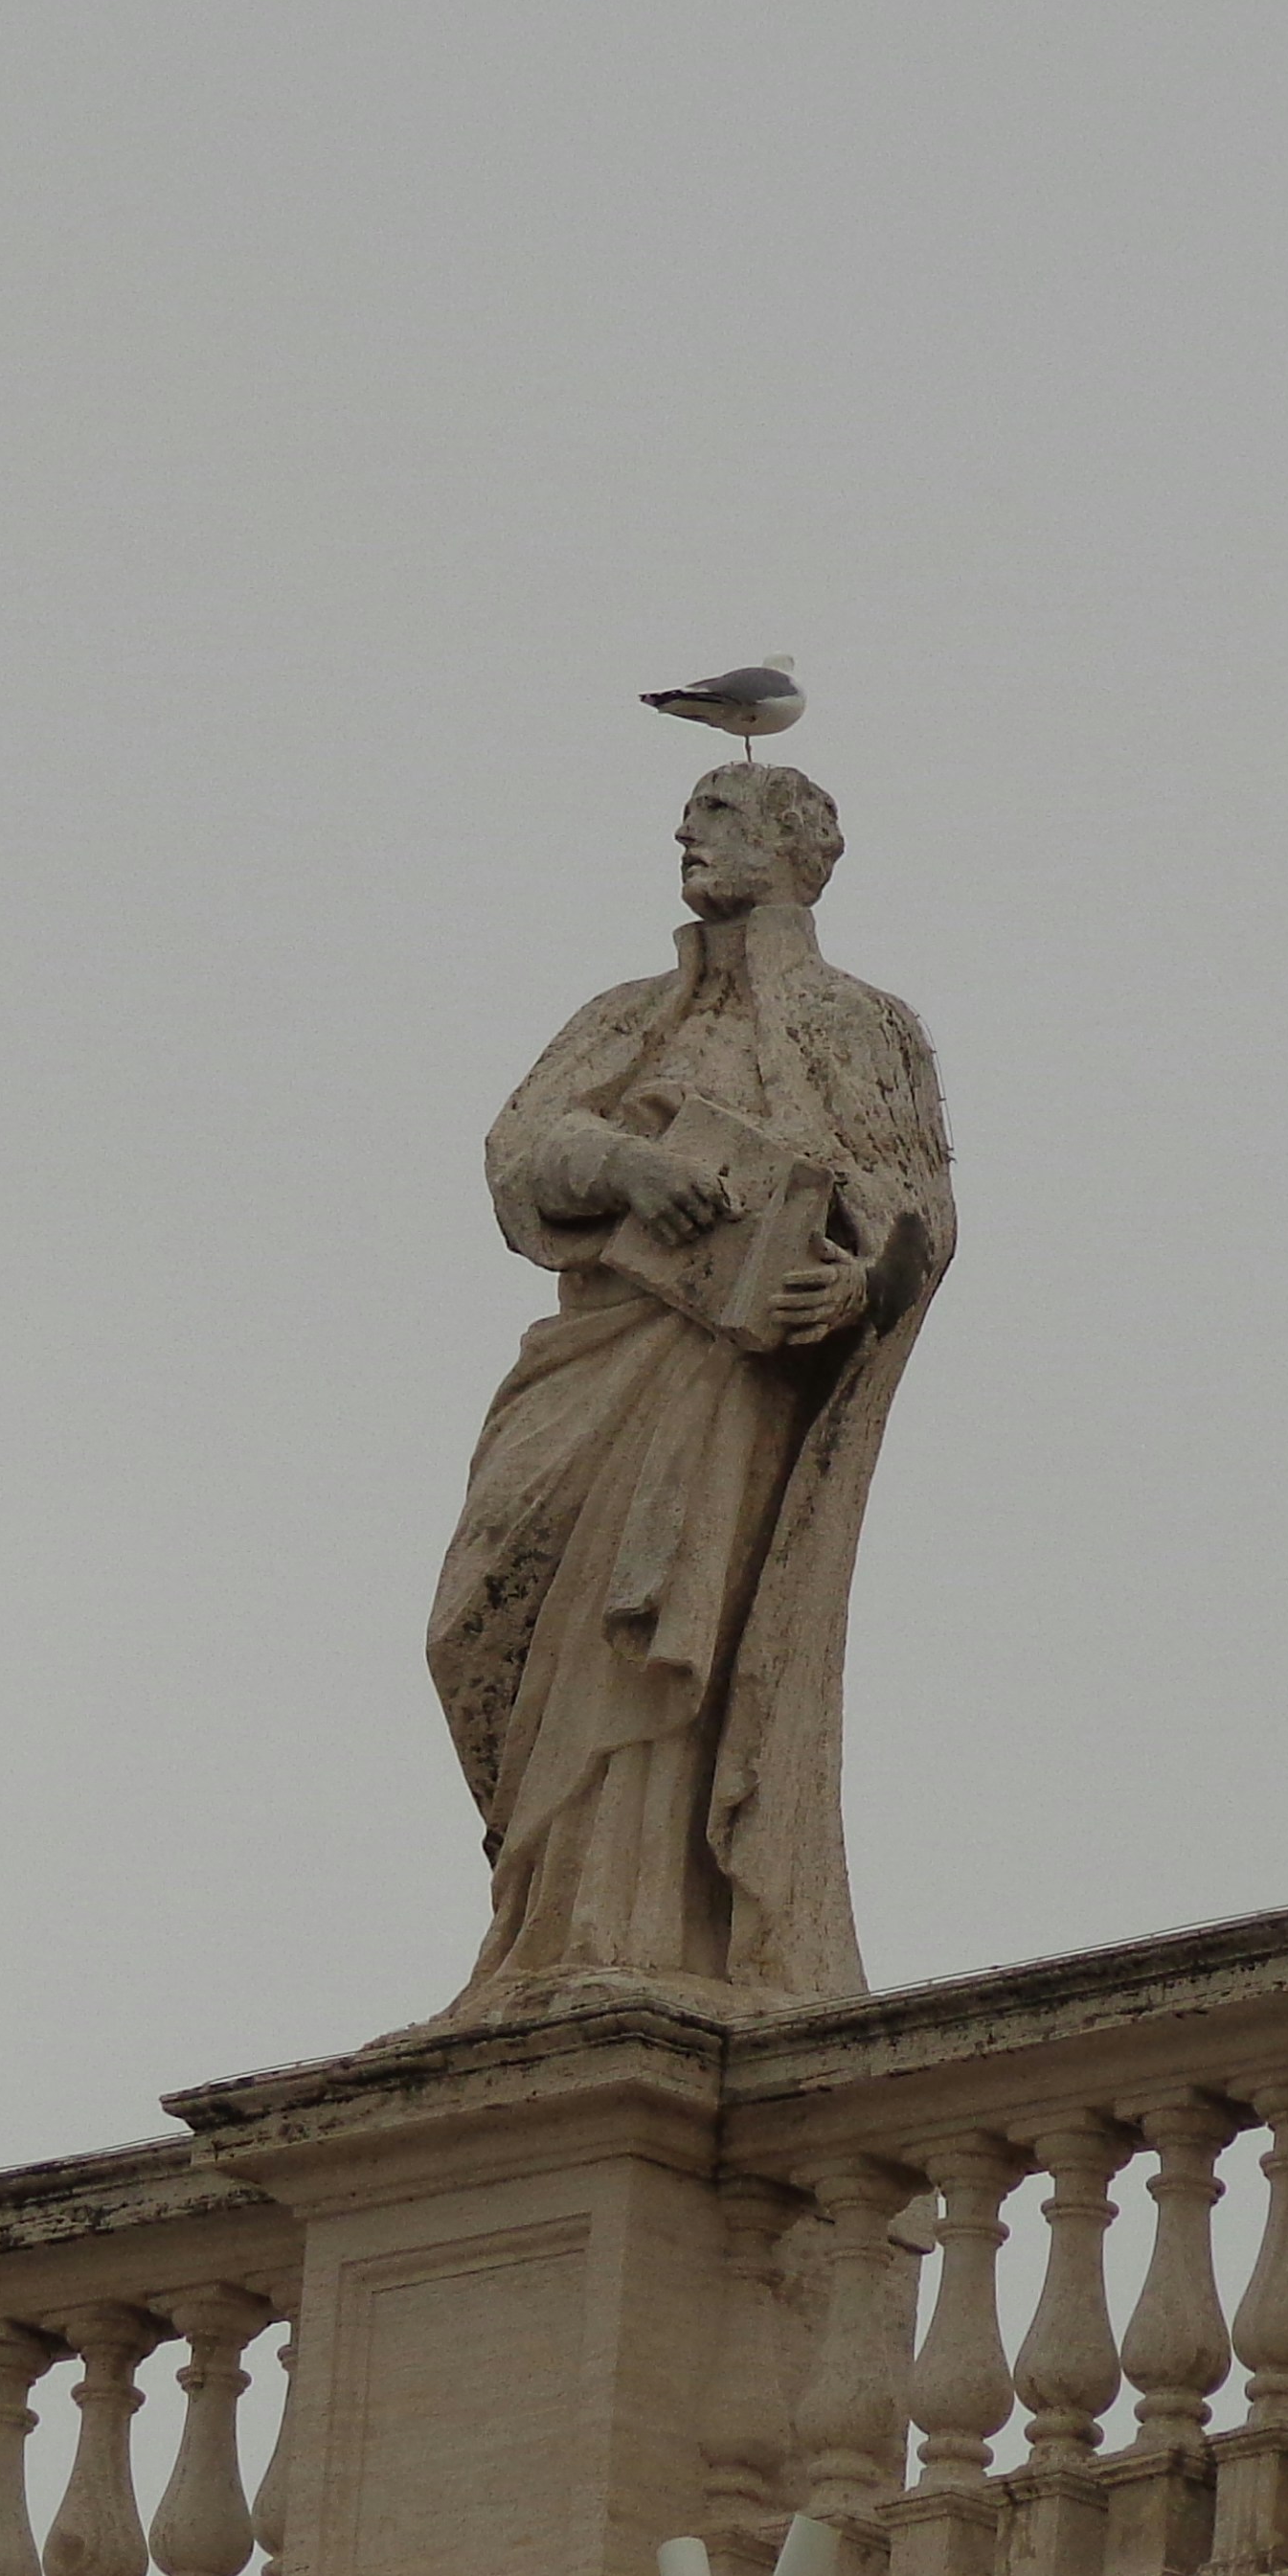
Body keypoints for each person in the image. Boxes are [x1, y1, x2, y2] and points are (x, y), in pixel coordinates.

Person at [430, 764, 953, 2013]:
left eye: (715, 816)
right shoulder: (626, 1016)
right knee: (477, 1616)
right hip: (597, 1351)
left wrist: (845, 1290)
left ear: (790, 843)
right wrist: (621, 1164)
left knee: (655, 1616)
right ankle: (541, 1923)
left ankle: (623, 1936)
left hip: (727, 1373)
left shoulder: (853, 1022)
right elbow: (517, 1151)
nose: (684, 836)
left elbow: (912, 1205)